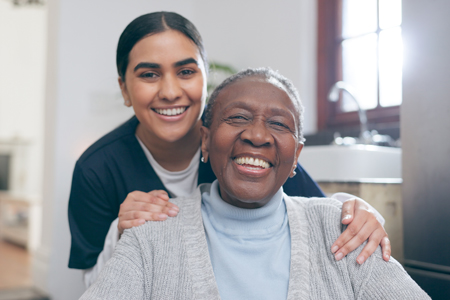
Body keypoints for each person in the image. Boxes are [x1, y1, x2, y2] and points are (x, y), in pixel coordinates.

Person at [68, 12, 390, 287]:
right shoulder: (96, 169)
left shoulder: (242, 147)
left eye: (186, 72)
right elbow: (93, 285)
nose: (169, 91)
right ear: (124, 89)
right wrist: (120, 234)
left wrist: (358, 210)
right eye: (149, 75)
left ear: (205, 80)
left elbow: (316, 214)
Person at [80, 68, 429, 300]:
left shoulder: (344, 232)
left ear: (296, 157)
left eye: (278, 124)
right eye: (237, 118)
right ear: (205, 139)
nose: (258, 135)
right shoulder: (152, 234)